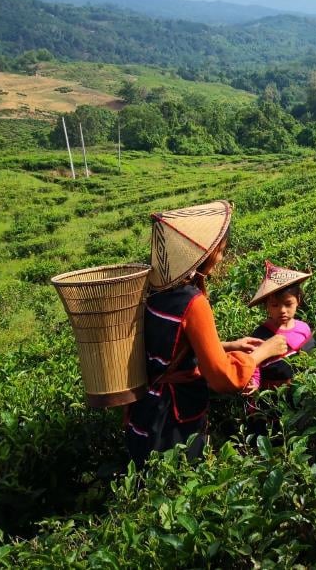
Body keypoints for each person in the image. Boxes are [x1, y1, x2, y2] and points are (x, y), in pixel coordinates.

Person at [125, 201, 287, 469]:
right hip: (174, 418)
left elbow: (170, 345)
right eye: (220, 251)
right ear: (201, 253)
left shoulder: (155, 290)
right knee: (180, 481)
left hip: (144, 410)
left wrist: (227, 345)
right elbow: (223, 378)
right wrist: (263, 352)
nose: (221, 258)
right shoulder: (192, 301)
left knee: (146, 482)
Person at [243, 260, 315, 393]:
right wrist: (254, 381)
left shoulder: (304, 328)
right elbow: (254, 363)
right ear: (267, 307)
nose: (282, 310)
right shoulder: (261, 335)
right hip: (274, 395)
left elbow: (311, 357)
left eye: (288, 304)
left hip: (302, 391)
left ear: (298, 300)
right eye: (275, 305)